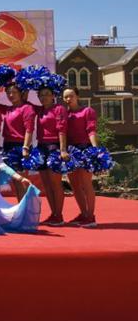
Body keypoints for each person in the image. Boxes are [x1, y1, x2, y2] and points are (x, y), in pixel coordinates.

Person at [31, 86, 68, 226]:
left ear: (53, 96)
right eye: (41, 95)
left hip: (54, 147)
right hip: (41, 147)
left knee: (55, 183)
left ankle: (59, 215)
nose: (44, 97)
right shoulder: (39, 110)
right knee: (46, 184)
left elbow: (62, 130)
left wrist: (62, 150)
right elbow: (24, 101)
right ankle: (54, 214)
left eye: (47, 94)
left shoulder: (59, 109)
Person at [0, 83, 36, 201]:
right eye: (8, 93)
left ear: (21, 93)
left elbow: (29, 129)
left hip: (20, 147)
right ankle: (22, 207)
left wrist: (25, 147)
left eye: (14, 92)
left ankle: (27, 208)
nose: (11, 95)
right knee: (15, 181)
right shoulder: (8, 109)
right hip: (8, 146)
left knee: (22, 181)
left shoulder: (27, 108)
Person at [63, 86, 99, 228]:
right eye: (65, 97)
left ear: (77, 96)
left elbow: (91, 130)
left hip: (85, 149)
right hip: (70, 151)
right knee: (74, 184)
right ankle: (83, 214)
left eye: (71, 96)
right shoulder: (64, 114)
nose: (68, 99)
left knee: (86, 183)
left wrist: (95, 149)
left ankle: (91, 216)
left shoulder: (87, 111)